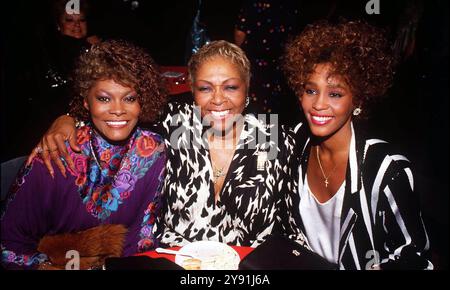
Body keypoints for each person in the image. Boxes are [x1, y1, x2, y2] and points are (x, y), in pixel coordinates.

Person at [25, 40, 309, 249]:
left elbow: (291, 222)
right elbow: (118, 100)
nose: (218, 99)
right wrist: (68, 117)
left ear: (247, 90)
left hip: (247, 266)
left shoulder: (272, 137)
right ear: (192, 90)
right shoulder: (178, 125)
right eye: (206, 88)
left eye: (231, 87)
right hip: (175, 262)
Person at [1, 40, 167, 269]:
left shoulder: (153, 152)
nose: (118, 109)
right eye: (104, 98)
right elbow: (7, 246)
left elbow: (142, 237)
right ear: (85, 102)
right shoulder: (54, 155)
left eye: (129, 98)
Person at [280, 20, 433, 270]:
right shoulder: (295, 142)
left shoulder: (386, 170)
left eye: (335, 94)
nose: (319, 104)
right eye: (310, 91)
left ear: (358, 99)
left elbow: (415, 257)